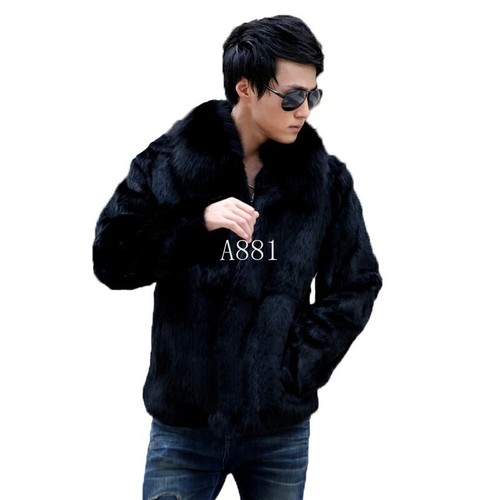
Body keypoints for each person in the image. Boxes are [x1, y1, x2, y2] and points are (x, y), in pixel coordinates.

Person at [93, 14, 382, 500]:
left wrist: (294, 370)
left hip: (278, 431)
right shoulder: (170, 164)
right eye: (291, 96)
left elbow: (356, 284)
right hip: (183, 427)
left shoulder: (325, 183)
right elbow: (111, 258)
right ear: (245, 87)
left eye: (313, 96)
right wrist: (196, 224)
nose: (303, 110)